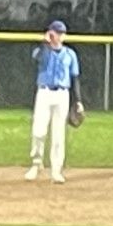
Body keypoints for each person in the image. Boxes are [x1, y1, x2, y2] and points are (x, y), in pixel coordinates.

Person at [26, 19, 82, 184]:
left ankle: (56, 171)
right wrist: (45, 42)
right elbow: (36, 58)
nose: (59, 35)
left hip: (62, 94)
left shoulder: (70, 54)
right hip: (44, 92)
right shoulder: (43, 51)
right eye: (56, 32)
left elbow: (75, 78)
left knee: (58, 134)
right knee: (39, 130)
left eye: (61, 33)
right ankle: (36, 164)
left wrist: (78, 100)